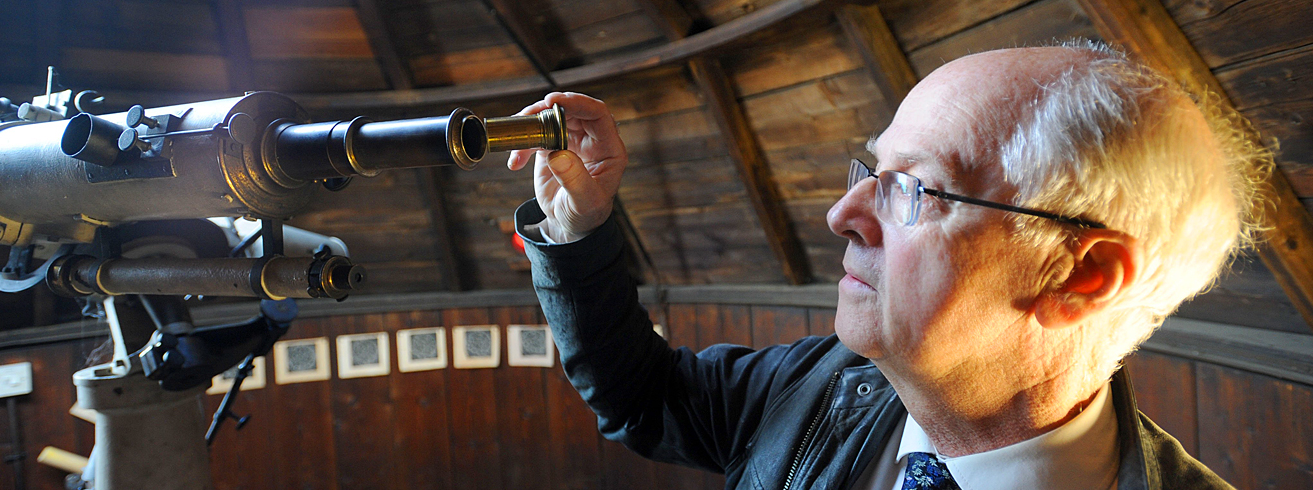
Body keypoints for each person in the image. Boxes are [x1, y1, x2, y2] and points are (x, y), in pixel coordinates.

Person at [507, 42, 1266, 489]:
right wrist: (578, 227)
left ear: (1079, 277)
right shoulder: (818, 383)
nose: (842, 214)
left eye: (914, 188)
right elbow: (646, 400)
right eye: (872, 170)